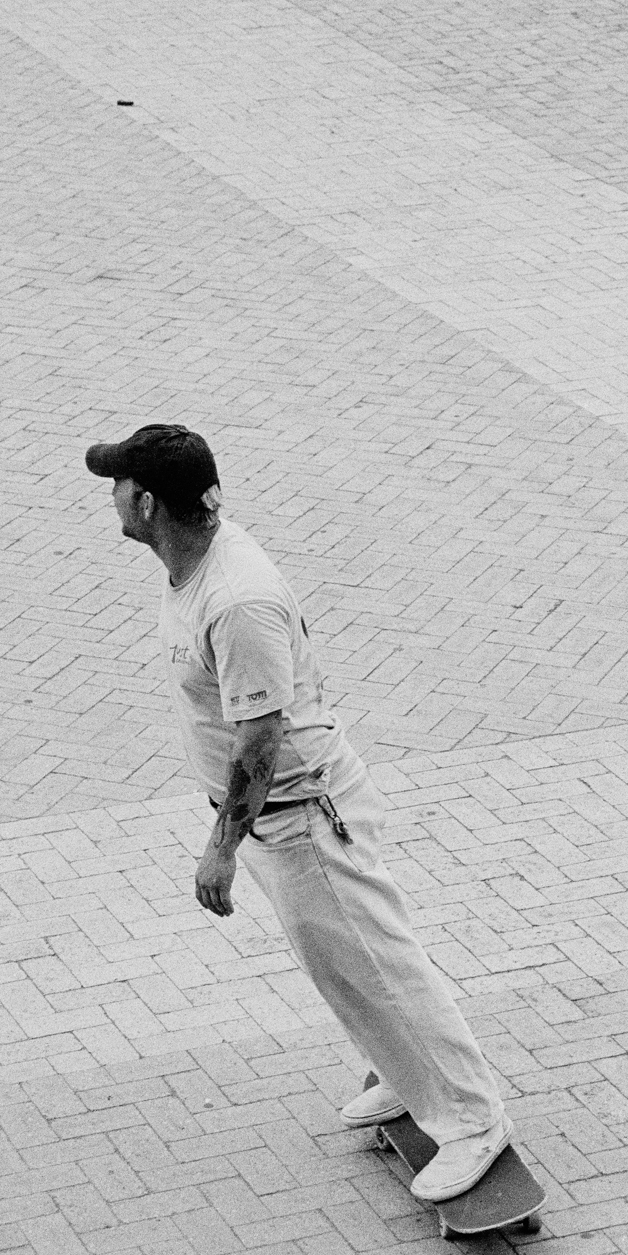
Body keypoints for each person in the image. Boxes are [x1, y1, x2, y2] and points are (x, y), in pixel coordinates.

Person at [84, 424, 511, 1203]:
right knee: (343, 969)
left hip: (303, 817)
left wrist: (219, 849)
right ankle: (404, 1074)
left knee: (382, 968)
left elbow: (260, 736)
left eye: (117, 484)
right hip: (276, 818)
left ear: (146, 504)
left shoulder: (234, 599)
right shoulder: (194, 560)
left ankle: (471, 1120)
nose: (109, 494)